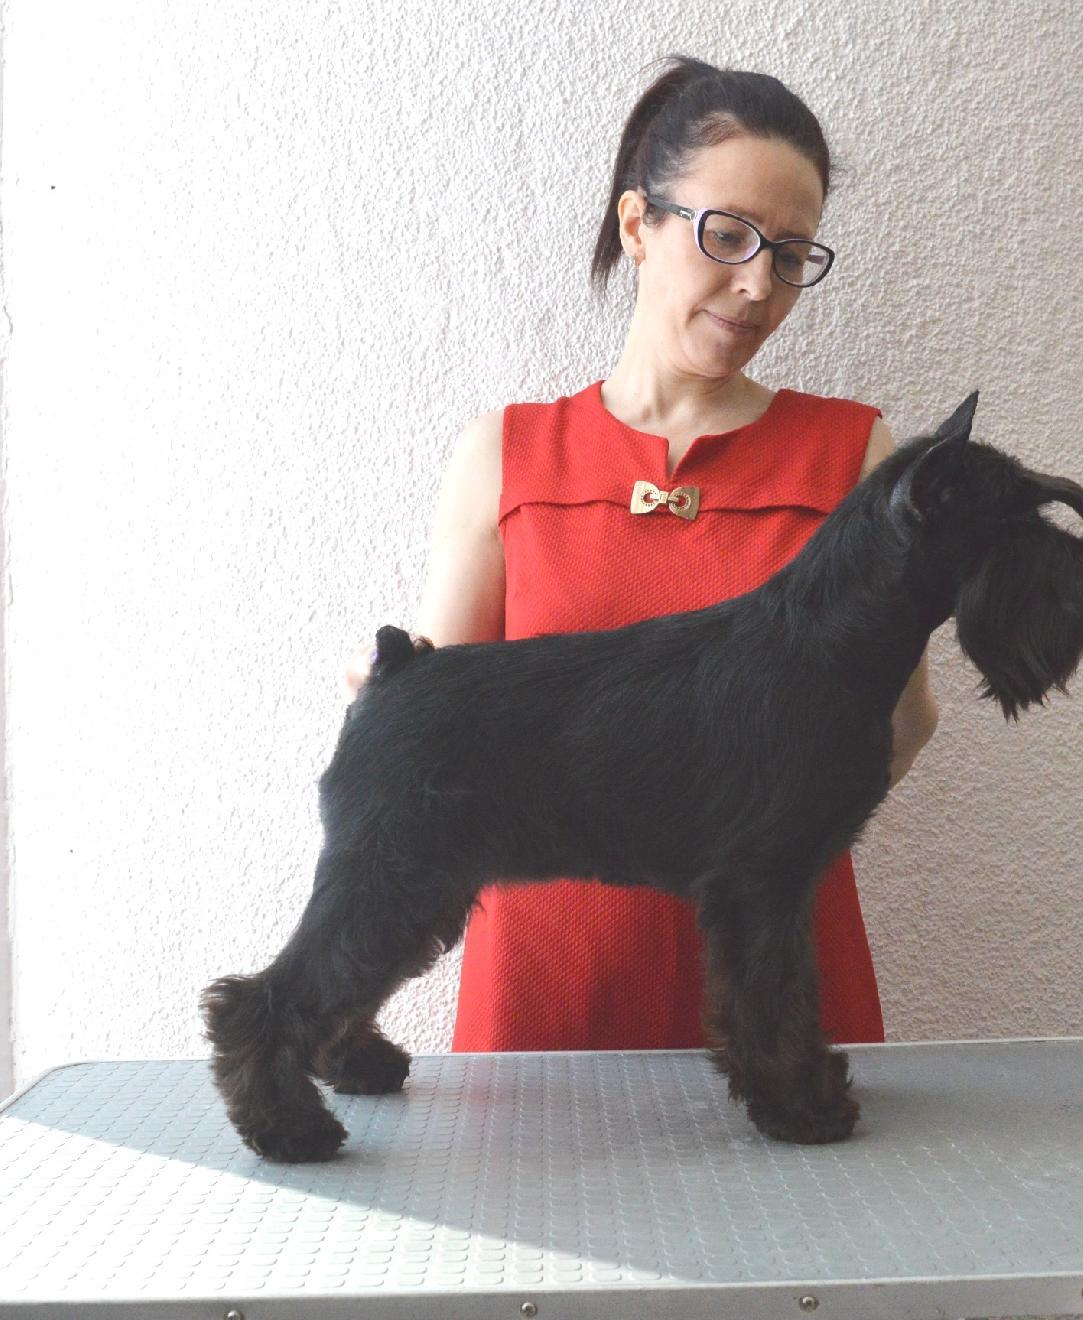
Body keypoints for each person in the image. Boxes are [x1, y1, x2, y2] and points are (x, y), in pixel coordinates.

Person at [344, 54, 938, 1054]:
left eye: (792, 253)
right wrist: (385, 696)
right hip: (551, 977)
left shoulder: (854, 457)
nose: (758, 283)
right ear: (637, 226)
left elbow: (905, 720)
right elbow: (446, 719)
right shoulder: (506, 454)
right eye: (728, 234)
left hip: (777, 978)